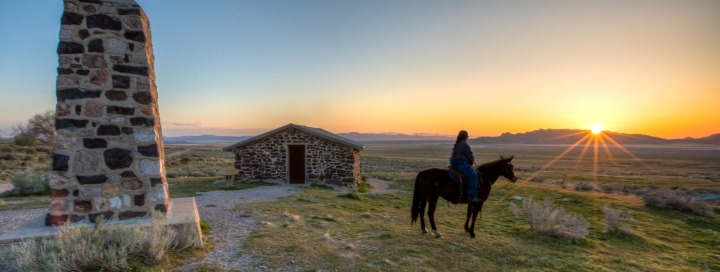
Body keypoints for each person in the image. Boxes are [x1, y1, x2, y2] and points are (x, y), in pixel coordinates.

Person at [450, 130, 479, 203]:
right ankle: (471, 197)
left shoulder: (457, 144)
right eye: (467, 137)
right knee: (473, 176)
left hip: (454, 163)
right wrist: (471, 162)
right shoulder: (464, 144)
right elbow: (470, 157)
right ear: (466, 137)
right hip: (461, 163)